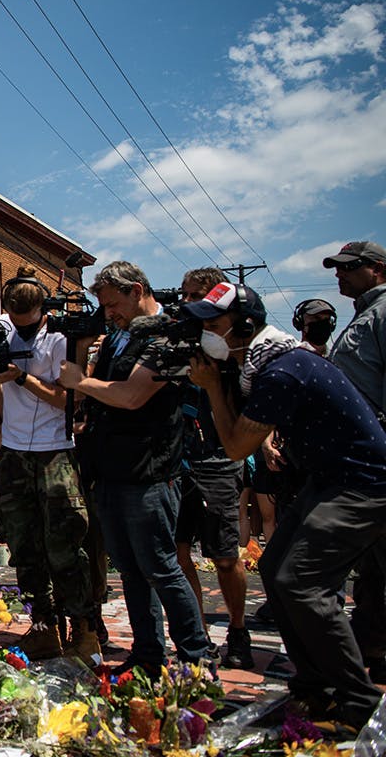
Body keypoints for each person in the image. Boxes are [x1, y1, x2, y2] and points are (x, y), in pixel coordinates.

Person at [185, 282, 386, 731]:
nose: (205, 335)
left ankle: (357, 701)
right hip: (328, 479)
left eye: (213, 326)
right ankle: (314, 690)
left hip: (364, 484)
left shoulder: (282, 371)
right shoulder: (263, 364)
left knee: (302, 583)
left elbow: (236, 445)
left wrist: (212, 386)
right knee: (276, 570)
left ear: (246, 327)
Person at [59, 261, 209, 673]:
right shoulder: (118, 338)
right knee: (130, 571)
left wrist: (80, 382)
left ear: (138, 290)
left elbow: (131, 396)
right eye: (103, 307)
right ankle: (148, 656)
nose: (109, 314)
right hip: (111, 469)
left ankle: (195, 658)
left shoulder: (169, 335)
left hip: (150, 470)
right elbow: (100, 394)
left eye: (113, 304)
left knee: (161, 567)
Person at [0, 269, 101, 664]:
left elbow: (67, 399)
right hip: (15, 450)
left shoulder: (60, 336)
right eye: (14, 321)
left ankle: (84, 631)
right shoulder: (2, 329)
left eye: (29, 323)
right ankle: (43, 626)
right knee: (23, 544)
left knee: (64, 546)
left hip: (55, 449)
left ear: (42, 309)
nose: (20, 329)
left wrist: (22, 377)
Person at [170, 268, 254, 669]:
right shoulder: (176, 339)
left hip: (218, 458)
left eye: (196, 297)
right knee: (178, 551)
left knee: (223, 555)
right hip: (176, 458)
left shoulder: (229, 346)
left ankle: (237, 630)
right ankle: (198, 633)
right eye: (185, 296)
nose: (188, 304)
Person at [323, 241, 386, 683]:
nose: (339, 275)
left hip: (376, 455)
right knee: (372, 567)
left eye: (350, 268)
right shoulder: (364, 314)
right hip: (355, 457)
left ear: (378, 270)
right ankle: (373, 653)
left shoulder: (382, 315)